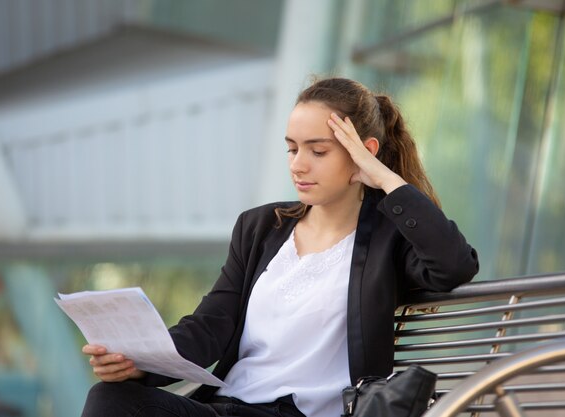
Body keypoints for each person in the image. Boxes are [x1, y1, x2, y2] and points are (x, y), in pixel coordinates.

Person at [80, 77, 479, 417]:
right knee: (111, 398)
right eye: (292, 148)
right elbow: (209, 327)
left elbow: (454, 264)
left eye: (318, 151)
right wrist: (136, 362)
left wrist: (383, 178)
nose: (298, 165)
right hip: (228, 406)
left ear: (364, 153)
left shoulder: (389, 240)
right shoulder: (259, 228)